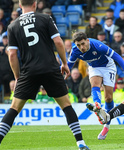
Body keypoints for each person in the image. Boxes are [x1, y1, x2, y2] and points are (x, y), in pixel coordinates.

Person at [0, 1, 90, 150]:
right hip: (50, 68)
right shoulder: (45, 19)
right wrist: (65, 63)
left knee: (14, 109)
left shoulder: (12, 26)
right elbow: (58, 42)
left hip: (29, 71)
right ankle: (80, 143)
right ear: (35, 4)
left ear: (20, 5)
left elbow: (12, 55)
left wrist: (17, 77)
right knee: (66, 106)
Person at [67, 32, 124, 140]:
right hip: (94, 68)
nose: (81, 47)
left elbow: (117, 57)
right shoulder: (75, 51)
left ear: (87, 41)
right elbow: (69, 66)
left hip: (108, 66)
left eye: (83, 44)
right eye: (78, 45)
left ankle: (106, 126)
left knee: (108, 97)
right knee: (95, 84)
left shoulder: (98, 46)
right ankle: (97, 105)